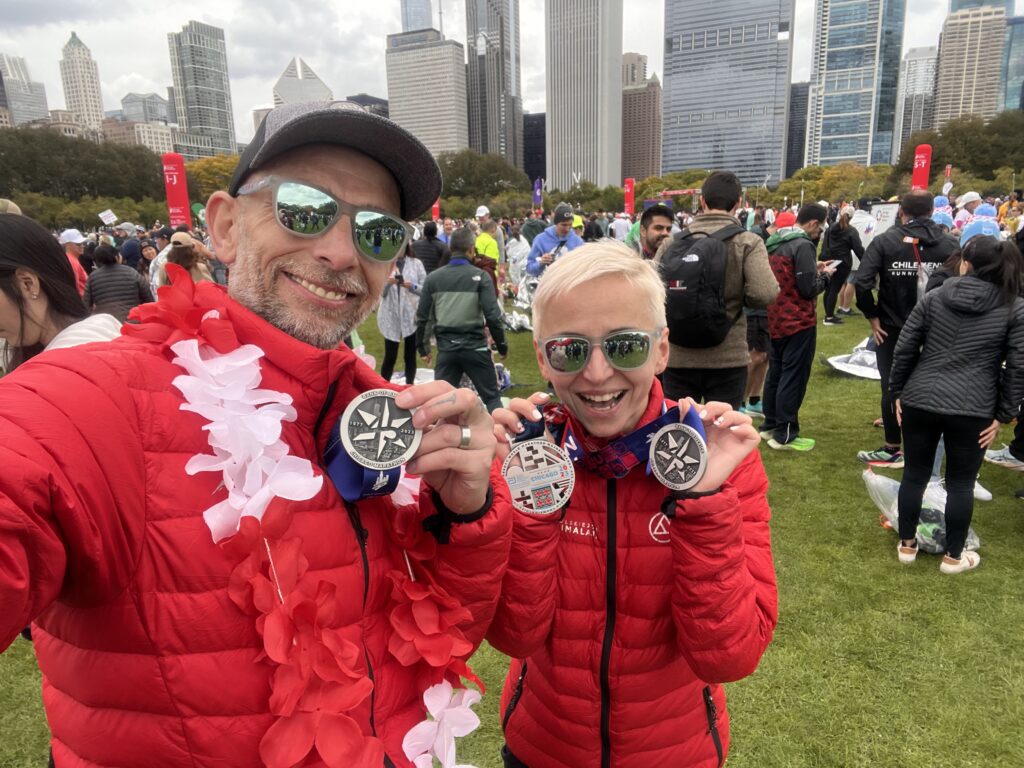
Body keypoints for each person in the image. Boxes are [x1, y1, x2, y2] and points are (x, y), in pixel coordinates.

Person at [0, 100, 511, 767]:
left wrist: (465, 516)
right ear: (225, 227)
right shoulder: (96, 399)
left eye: (378, 231)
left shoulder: (390, 416)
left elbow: (450, 633)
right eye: (304, 209)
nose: (339, 252)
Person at [487, 241, 777, 768]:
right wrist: (532, 501)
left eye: (625, 346)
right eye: (570, 350)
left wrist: (701, 502)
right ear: (542, 357)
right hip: (544, 745)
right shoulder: (524, 458)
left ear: (662, 350)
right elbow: (514, 634)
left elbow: (730, 657)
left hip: (676, 752)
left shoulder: (720, 461)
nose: (598, 374)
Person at [890, 234, 1024, 574]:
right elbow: (1019, 366)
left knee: (915, 474)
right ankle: (951, 555)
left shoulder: (938, 297)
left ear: (966, 263)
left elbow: (905, 347)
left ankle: (909, 544)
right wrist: (1005, 413)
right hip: (970, 406)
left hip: (930, 399)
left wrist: (898, 391)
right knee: (959, 482)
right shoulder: (1006, 306)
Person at [654, 171, 779, 410]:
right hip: (727, 356)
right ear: (738, 203)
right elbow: (764, 292)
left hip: (678, 354)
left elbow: (650, 290)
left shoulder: (673, 242)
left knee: (678, 426)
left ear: (702, 201)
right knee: (723, 425)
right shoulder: (747, 242)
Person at [855, 190, 958, 468]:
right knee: (932, 382)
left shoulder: (886, 240)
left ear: (902, 211)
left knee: (892, 383)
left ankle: (893, 446)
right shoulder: (950, 242)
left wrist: (872, 316)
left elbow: (862, 282)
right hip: (938, 327)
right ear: (932, 211)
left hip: (895, 325)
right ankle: (916, 437)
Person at [0, 215, 122, 372]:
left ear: (28, 283)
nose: (81, 247)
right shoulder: (104, 335)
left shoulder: (65, 369)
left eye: (81, 244)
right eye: (77, 244)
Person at [761, 204, 835, 451]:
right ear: (813, 223)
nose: (820, 233)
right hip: (798, 321)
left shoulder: (776, 241)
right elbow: (807, 289)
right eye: (820, 228)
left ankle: (771, 424)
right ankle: (786, 432)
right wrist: (825, 277)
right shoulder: (802, 244)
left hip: (776, 317)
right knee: (793, 376)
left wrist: (814, 269)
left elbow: (789, 276)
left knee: (776, 373)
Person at [416, 227, 508, 412]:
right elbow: (492, 315)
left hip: (446, 350)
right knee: (492, 399)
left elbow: (423, 317)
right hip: (476, 349)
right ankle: (500, 430)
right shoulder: (481, 276)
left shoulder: (433, 278)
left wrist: (423, 348)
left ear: (451, 248)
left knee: (441, 404)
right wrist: (501, 345)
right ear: (471, 249)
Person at [377, 242, 426, 384]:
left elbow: (425, 289)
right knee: (390, 355)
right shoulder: (385, 265)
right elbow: (380, 293)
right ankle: (382, 387)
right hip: (390, 316)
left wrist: (412, 286)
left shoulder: (416, 264)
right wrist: (388, 283)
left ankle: (409, 385)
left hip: (411, 315)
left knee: (410, 355)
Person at [82, 243, 155, 321]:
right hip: (132, 320)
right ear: (116, 257)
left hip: (107, 322)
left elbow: (86, 304)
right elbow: (148, 297)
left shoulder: (92, 277)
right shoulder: (131, 272)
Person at [821, 205, 865, 325]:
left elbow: (825, 244)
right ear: (851, 217)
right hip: (843, 262)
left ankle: (828, 314)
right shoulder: (851, 231)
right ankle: (829, 317)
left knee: (829, 288)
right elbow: (858, 249)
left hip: (829, 260)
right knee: (834, 289)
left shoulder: (831, 227)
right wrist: (866, 262)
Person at [526, 202, 583, 276]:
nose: (567, 228)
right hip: (548, 282)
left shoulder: (578, 241)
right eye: (563, 225)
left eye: (570, 225)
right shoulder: (540, 240)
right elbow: (529, 269)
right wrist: (541, 263)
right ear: (556, 223)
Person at [57, 228, 90, 296]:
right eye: (78, 244)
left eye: (82, 243)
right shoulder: (71, 261)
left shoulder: (71, 259)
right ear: (67, 245)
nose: (82, 246)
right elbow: (74, 287)